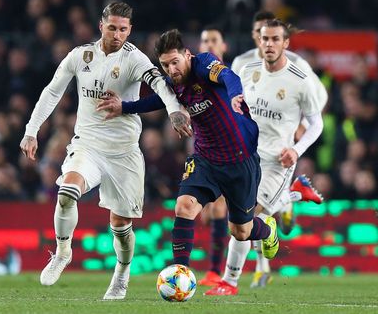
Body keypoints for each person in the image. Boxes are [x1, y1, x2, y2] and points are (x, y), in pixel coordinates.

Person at [19, 2, 190, 300]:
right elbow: (52, 91)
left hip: (124, 153)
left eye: (123, 29)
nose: (117, 34)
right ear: (101, 26)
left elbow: (162, 86)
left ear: (130, 30)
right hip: (88, 144)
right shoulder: (80, 55)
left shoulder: (135, 59)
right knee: (67, 192)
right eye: (112, 28)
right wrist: (31, 131)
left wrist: (174, 110)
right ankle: (62, 252)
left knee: (120, 226)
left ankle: (121, 274)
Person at [97, 29, 280, 272]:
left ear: (187, 55)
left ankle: (267, 229)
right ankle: (179, 273)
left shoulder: (204, 64)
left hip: (240, 159)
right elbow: (158, 99)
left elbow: (228, 76)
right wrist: (124, 107)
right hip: (206, 158)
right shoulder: (172, 83)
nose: (172, 69)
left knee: (240, 231)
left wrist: (236, 94)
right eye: (165, 65)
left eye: (175, 62)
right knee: (183, 206)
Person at [205, 18, 324, 295]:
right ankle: (296, 194)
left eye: (274, 39)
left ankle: (229, 282)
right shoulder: (247, 71)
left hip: (276, 163)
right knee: (239, 222)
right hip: (245, 157)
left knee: (243, 220)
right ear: (258, 40)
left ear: (286, 43)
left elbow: (316, 124)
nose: (268, 44)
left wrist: (296, 150)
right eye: (264, 38)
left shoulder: (300, 81)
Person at [196, 25, 229, 286]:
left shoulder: (232, 76)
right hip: (212, 155)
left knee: (247, 220)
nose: (208, 44)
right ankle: (216, 271)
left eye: (214, 40)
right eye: (204, 40)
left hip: (243, 153)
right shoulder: (195, 82)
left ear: (223, 47)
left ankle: (287, 200)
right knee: (217, 206)